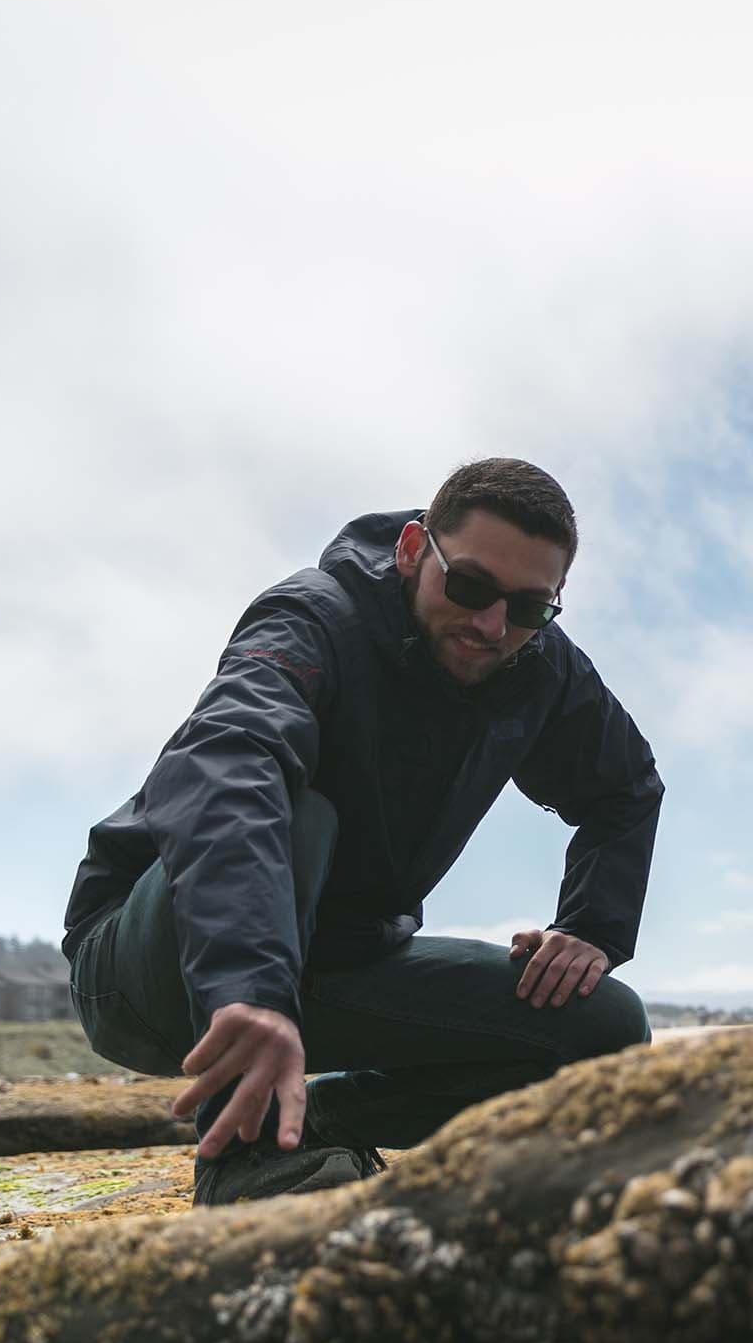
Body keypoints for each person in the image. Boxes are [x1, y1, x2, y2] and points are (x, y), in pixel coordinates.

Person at [64, 457, 663, 1205]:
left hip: (338, 959)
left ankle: (320, 1119)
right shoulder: (314, 620)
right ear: (413, 551)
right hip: (155, 965)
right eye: (471, 587)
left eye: (529, 608)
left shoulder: (539, 667)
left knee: (606, 1027)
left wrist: (591, 926)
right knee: (294, 810)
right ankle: (247, 1163)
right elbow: (228, 765)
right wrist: (247, 983)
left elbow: (628, 787)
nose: (492, 625)